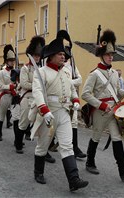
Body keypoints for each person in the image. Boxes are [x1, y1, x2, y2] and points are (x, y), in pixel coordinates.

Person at [81, 29, 124, 181]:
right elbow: (85, 94)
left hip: (113, 109)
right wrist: (101, 105)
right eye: (108, 54)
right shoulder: (94, 74)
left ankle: (123, 170)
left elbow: (117, 91)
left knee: (117, 138)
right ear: (102, 55)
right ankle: (90, 161)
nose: (110, 57)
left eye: (112, 55)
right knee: (96, 137)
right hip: (100, 111)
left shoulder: (114, 73)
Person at [31, 37, 88, 191]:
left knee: (67, 146)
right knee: (42, 146)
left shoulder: (66, 72)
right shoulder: (41, 72)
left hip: (63, 112)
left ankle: (73, 180)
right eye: (60, 54)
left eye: (64, 54)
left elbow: (71, 90)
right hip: (48, 112)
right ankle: (38, 172)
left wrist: (76, 100)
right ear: (51, 56)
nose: (63, 56)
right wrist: (44, 110)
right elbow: (37, 92)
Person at [56, 30, 86, 158]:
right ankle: (48, 145)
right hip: (57, 99)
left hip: (70, 98)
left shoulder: (72, 65)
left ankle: (75, 148)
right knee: (54, 124)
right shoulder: (56, 65)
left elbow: (79, 80)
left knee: (74, 122)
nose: (65, 57)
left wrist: (69, 82)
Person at [0, 45, 17, 141]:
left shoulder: (16, 71)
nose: (12, 62)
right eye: (10, 60)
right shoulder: (1, 73)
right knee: (1, 115)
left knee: (16, 117)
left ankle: (17, 139)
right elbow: (0, 86)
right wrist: (10, 86)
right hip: (5, 96)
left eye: (13, 60)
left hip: (14, 96)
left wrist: (17, 86)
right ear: (6, 61)